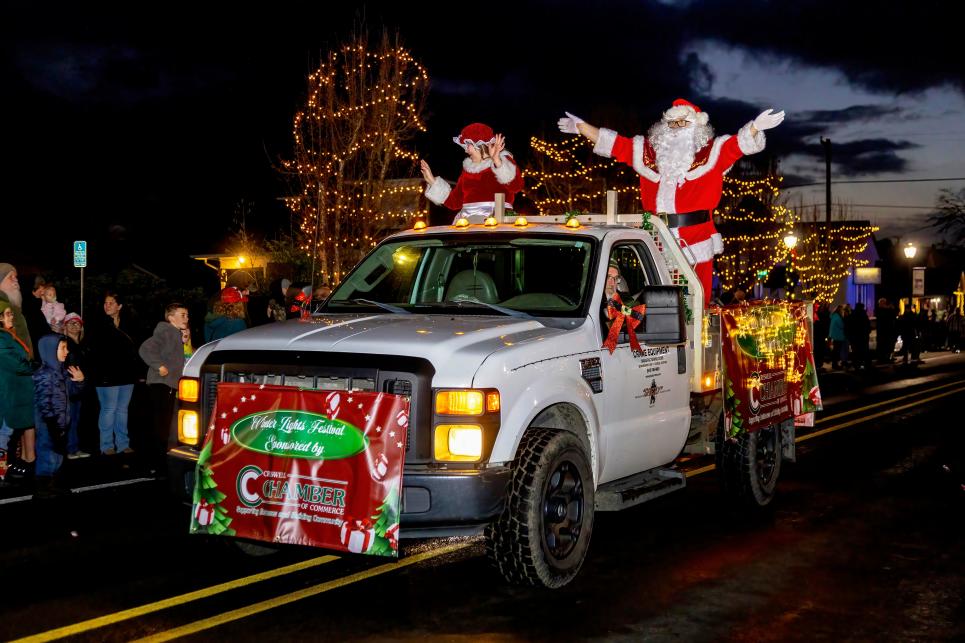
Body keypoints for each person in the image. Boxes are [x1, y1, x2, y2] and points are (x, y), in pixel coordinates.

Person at [559, 99, 785, 306]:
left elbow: (738, 145)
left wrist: (756, 126)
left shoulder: (711, 154)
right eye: (672, 123)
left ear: (697, 127)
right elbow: (614, 144)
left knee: (696, 302)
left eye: (683, 122)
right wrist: (581, 127)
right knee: (658, 301)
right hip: (656, 238)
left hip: (695, 239)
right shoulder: (647, 154)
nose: (676, 128)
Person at [421, 123, 525, 223]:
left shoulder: (503, 162)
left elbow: (516, 186)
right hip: (469, 224)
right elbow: (454, 202)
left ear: (479, 144)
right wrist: (432, 181)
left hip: (499, 222)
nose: (466, 150)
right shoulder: (467, 170)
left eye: (467, 145)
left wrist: (497, 160)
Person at [87, 291, 141, 455]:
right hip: (106, 375)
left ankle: (123, 444)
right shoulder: (98, 324)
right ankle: (106, 445)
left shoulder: (129, 324)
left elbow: (136, 348)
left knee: (122, 409)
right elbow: (94, 351)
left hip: (126, 374)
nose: (107, 305)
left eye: (111, 303)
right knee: (109, 409)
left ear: (119, 306)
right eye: (105, 303)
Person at [33, 334, 85, 496]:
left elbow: (73, 394)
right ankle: (42, 487)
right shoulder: (44, 375)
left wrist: (79, 381)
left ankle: (52, 484)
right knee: (47, 454)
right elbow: (44, 404)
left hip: (60, 424)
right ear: (50, 351)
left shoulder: (60, 372)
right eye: (63, 348)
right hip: (49, 424)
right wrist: (53, 427)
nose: (67, 351)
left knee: (56, 456)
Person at [139, 303, 190, 464]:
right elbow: (145, 349)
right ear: (170, 317)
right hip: (161, 384)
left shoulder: (175, 334)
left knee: (165, 424)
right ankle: (158, 460)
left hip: (168, 385)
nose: (187, 318)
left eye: (187, 315)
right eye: (182, 315)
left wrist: (183, 342)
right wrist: (159, 365)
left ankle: (162, 457)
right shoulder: (166, 332)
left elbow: (172, 356)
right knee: (161, 424)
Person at [0, 299, 36, 482]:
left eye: (11, 313)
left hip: (12, 393)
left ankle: (2, 470)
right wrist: (36, 366)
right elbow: (17, 364)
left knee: (6, 434)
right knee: (3, 435)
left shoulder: (8, 335)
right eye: (7, 314)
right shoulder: (1, 338)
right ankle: (0, 472)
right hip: (6, 395)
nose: (11, 316)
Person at [62, 312, 91, 459]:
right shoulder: (65, 344)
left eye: (78, 323)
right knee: (70, 418)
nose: (75, 325)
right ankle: (69, 449)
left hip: (79, 385)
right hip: (69, 385)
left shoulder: (82, 345)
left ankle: (75, 447)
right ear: (65, 326)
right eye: (71, 323)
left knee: (76, 418)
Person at [846, 302, 871, 370]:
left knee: (855, 352)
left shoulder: (852, 315)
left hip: (854, 338)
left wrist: (849, 336)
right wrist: (867, 333)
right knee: (864, 351)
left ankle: (856, 365)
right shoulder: (864, 315)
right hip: (863, 337)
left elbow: (848, 327)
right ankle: (866, 364)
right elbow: (868, 326)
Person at [874, 298, 897, 363]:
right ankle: (881, 358)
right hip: (882, 332)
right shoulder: (879, 310)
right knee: (882, 346)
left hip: (888, 332)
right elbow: (880, 315)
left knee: (887, 346)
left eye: (884, 303)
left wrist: (891, 309)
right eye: (882, 303)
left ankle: (886, 357)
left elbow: (894, 315)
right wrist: (888, 308)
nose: (883, 304)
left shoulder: (888, 310)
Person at [828, 305, 848, 369]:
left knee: (835, 351)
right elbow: (842, 326)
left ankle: (834, 364)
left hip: (834, 336)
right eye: (842, 310)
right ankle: (835, 364)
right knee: (837, 351)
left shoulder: (834, 317)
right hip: (838, 336)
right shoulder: (838, 318)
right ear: (840, 310)